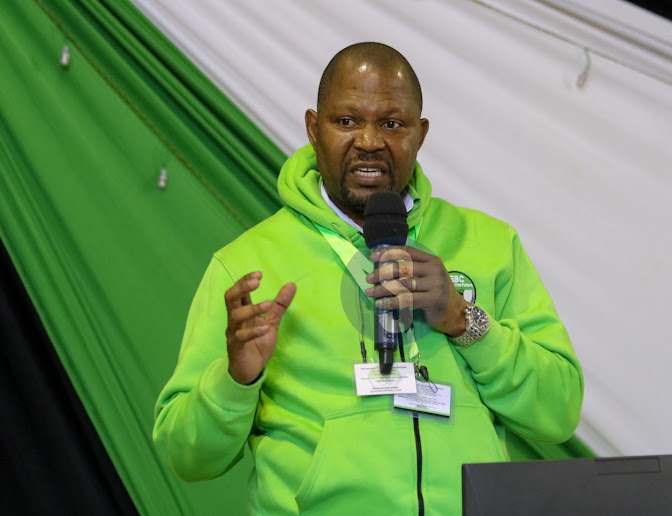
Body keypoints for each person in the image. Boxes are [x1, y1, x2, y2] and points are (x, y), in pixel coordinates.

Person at [153, 42, 584, 515]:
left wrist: (466, 323)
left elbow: (558, 411)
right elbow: (185, 455)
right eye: (347, 121)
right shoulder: (248, 264)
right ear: (314, 130)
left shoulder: (490, 244)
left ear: (420, 134)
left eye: (392, 123)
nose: (370, 141)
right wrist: (236, 380)